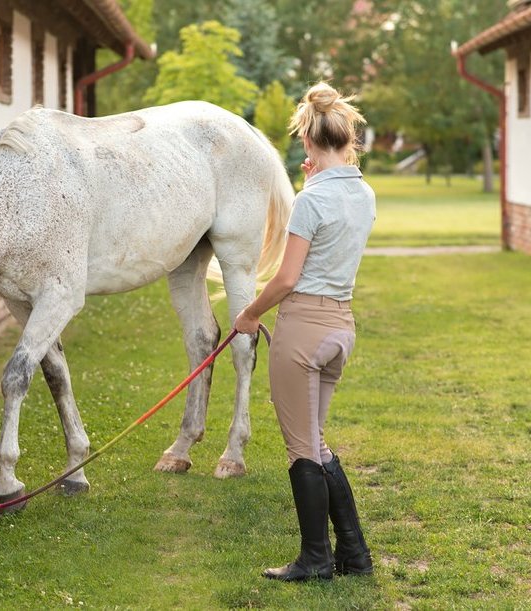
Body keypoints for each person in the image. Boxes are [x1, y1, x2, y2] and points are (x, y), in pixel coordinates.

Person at [234, 81, 375, 582]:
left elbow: (288, 277)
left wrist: (249, 314)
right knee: (316, 442)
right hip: (341, 326)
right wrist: (314, 182)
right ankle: (354, 555)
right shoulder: (364, 193)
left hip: (302, 329)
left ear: (309, 144)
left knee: (302, 449)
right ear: (347, 139)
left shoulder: (310, 201)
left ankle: (315, 557)